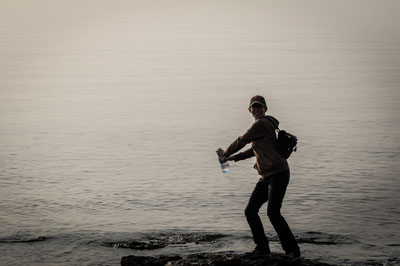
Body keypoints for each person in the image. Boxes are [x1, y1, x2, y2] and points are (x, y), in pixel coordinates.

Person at [216, 95, 301, 262]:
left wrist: (225, 154)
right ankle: (262, 248)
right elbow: (253, 149)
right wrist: (234, 158)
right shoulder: (265, 126)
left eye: (259, 107)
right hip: (267, 175)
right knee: (250, 211)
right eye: (254, 107)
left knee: (273, 213)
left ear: (265, 109)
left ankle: (293, 251)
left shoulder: (261, 124)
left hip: (278, 173)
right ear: (249, 109)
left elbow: (241, 141)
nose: (256, 110)